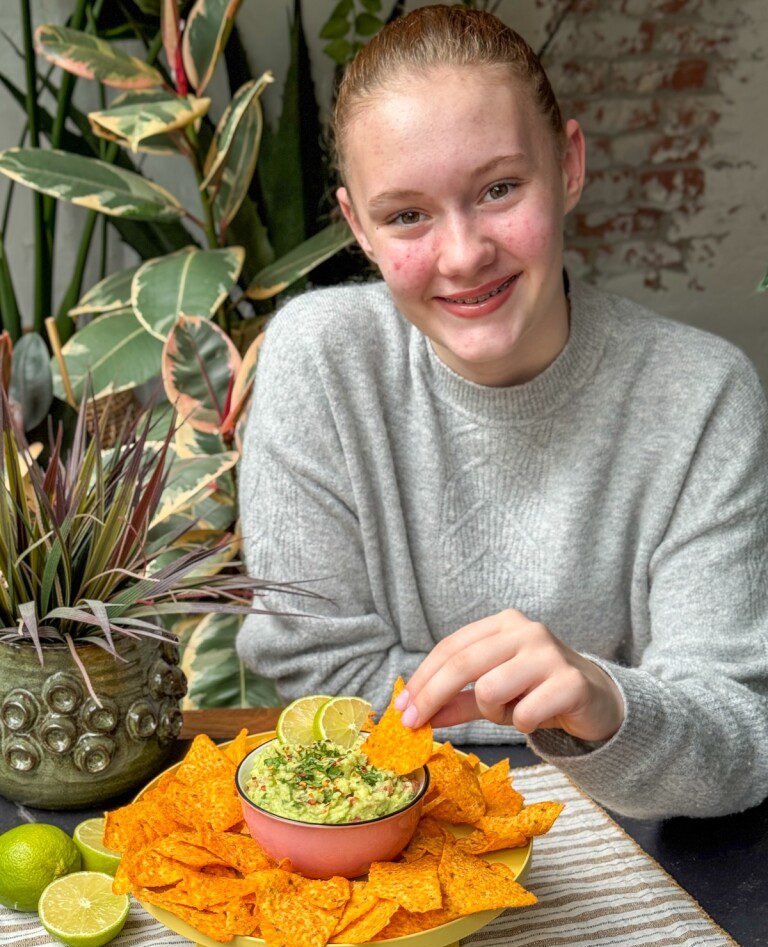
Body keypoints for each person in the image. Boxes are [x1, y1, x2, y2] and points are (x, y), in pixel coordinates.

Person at [236, 5, 768, 819]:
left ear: (569, 165)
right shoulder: (320, 360)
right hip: (391, 826)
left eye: (498, 189)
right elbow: (322, 685)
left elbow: (737, 740)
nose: (463, 254)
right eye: (407, 214)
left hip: (642, 857)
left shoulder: (701, 395)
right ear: (358, 228)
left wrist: (604, 700)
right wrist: (585, 714)